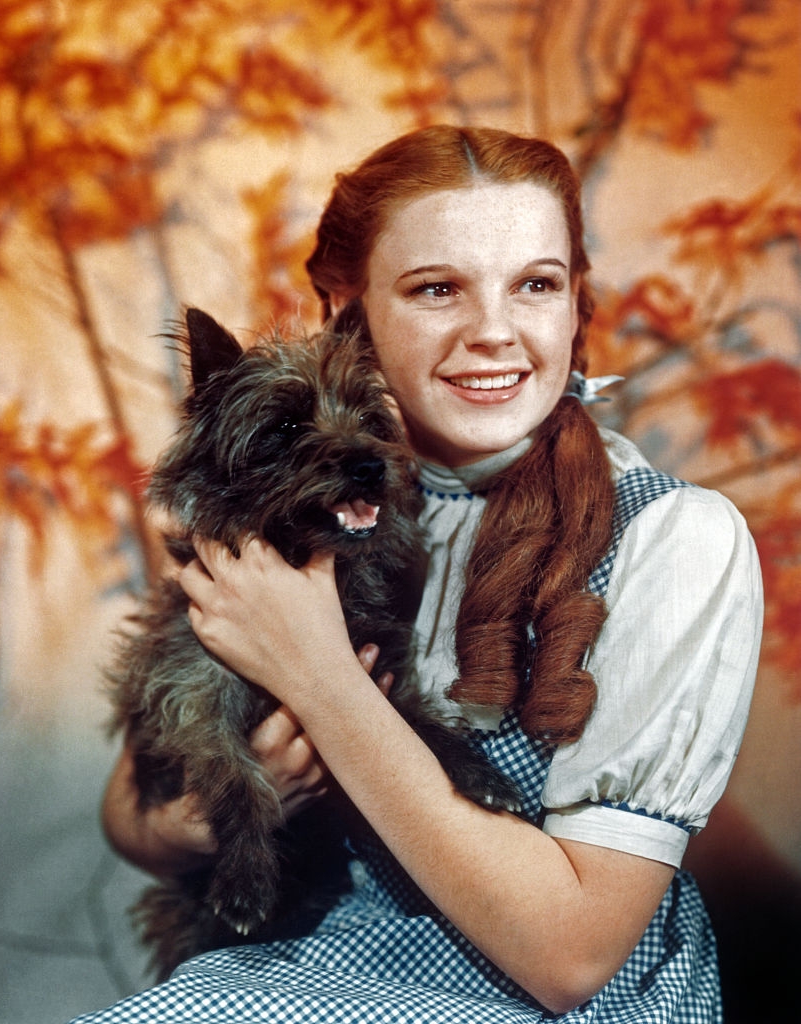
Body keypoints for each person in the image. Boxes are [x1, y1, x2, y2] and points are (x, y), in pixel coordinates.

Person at [70, 125, 762, 1023]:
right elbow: (131, 818)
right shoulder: (290, 502)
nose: (493, 332)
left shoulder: (674, 540)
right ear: (346, 311)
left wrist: (318, 676)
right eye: (438, 288)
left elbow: (572, 959)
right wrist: (211, 820)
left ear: (578, 305)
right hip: (302, 963)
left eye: (536, 286)